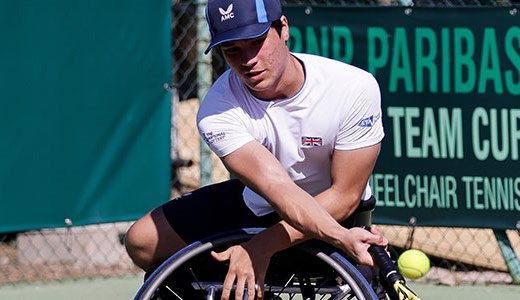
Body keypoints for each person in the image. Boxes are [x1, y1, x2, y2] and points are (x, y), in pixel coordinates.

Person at [123, 0, 387, 298]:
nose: (248, 60)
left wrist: (263, 246)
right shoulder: (216, 110)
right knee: (143, 240)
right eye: (232, 49)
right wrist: (257, 245)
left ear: (283, 28)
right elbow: (278, 188)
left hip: (337, 214)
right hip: (263, 205)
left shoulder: (353, 87)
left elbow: (345, 196)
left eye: (257, 42)